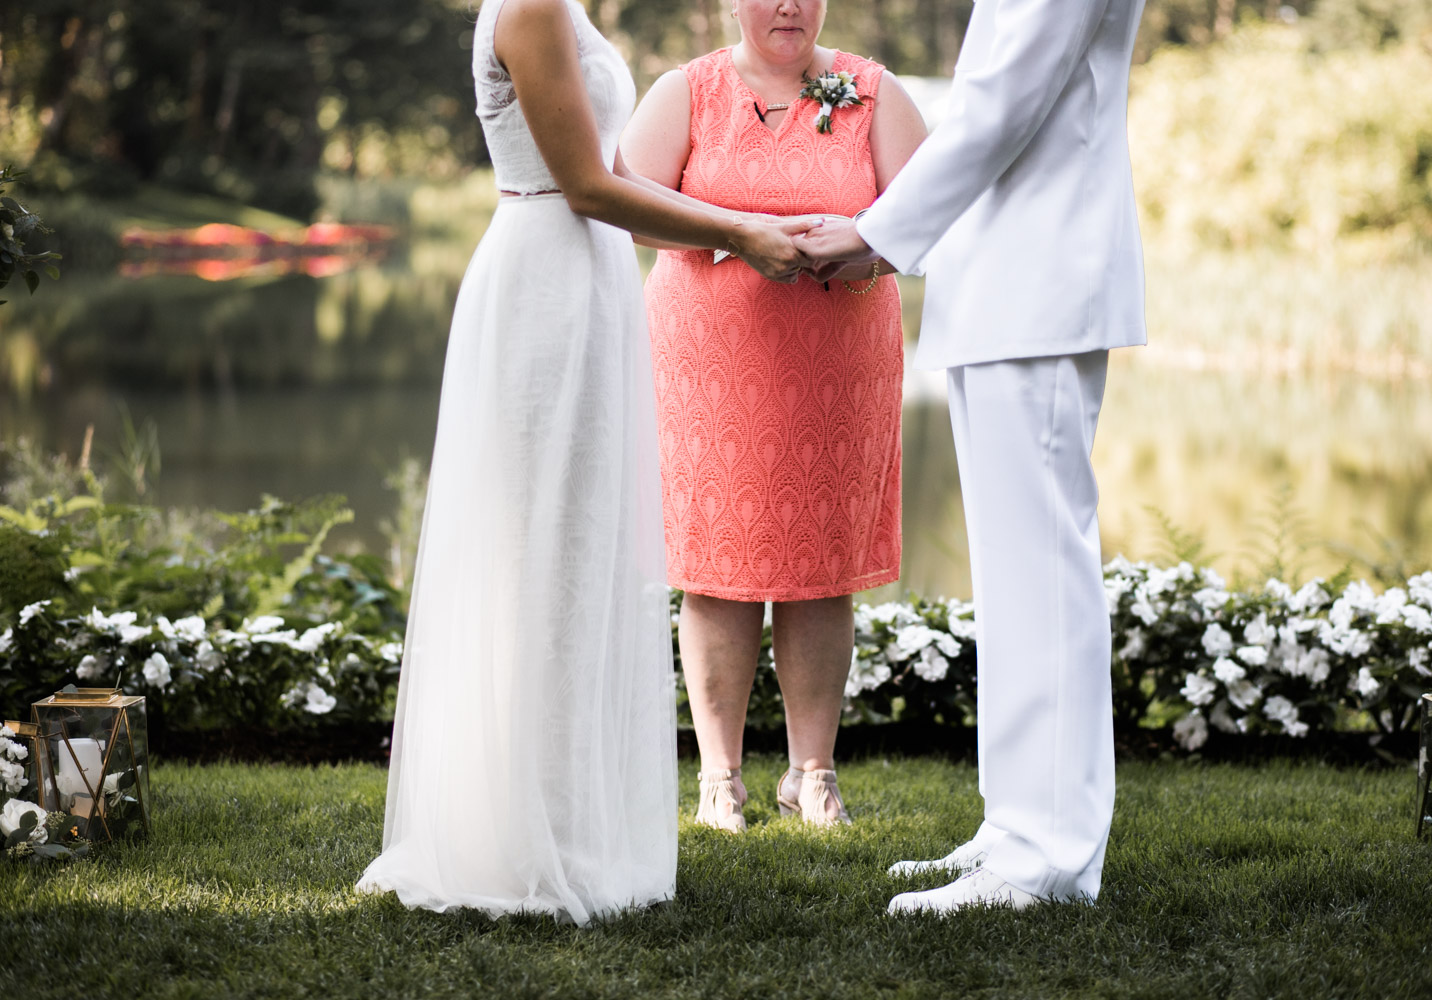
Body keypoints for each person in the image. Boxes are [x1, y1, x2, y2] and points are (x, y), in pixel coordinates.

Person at [356, 0, 812, 925]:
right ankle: (519, 836)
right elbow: (588, 187)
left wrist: (742, 224)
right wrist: (739, 233)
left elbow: (610, 175)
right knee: (539, 563)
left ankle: (569, 821)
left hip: (590, 283)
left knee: (582, 563)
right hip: (545, 289)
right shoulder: (526, 8)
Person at [798, 0, 1149, 913]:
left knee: (1041, 574)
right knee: (1012, 577)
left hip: (1039, 279)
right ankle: (1017, 824)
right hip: (1008, 282)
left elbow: (1004, 101)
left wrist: (876, 231)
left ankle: (1049, 856)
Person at [619, 0, 927, 831]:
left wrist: (857, 239)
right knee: (717, 565)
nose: (787, 2)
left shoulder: (870, 90)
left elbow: (929, 218)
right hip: (709, 369)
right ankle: (720, 779)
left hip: (837, 366)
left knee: (821, 565)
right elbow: (623, 202)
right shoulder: (686, 91)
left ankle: (812, 772)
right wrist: (735, 229)